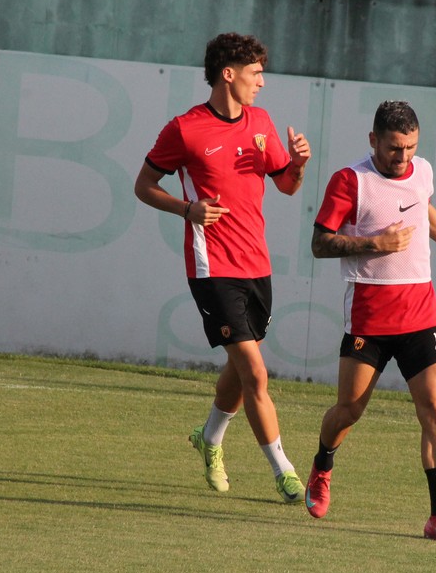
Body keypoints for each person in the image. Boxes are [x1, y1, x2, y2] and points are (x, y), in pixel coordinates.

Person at [133, 32, 311, 504]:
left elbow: (287, 186)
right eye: (256, 73)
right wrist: (186, 209)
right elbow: (143, 185)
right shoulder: (185, 129)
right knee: (255, 373)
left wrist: (298, 164)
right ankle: (285, 472)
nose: (262, 82)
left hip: (257, 264)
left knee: (240, 367)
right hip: (212, 267)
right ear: (228, 74)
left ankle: (209, 438)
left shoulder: (261, 121)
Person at [305, 100, 436, 543]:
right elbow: (319, 244)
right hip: (369, 316)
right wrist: (375, 243)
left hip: (421, 311)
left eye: (410, 147)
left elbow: (423, 208)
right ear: (373, 140)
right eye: (393, 148)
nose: (403, 156)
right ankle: (322, 465)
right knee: (349, 409)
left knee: (434, 409)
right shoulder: (350, 181)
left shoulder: (422, 170)